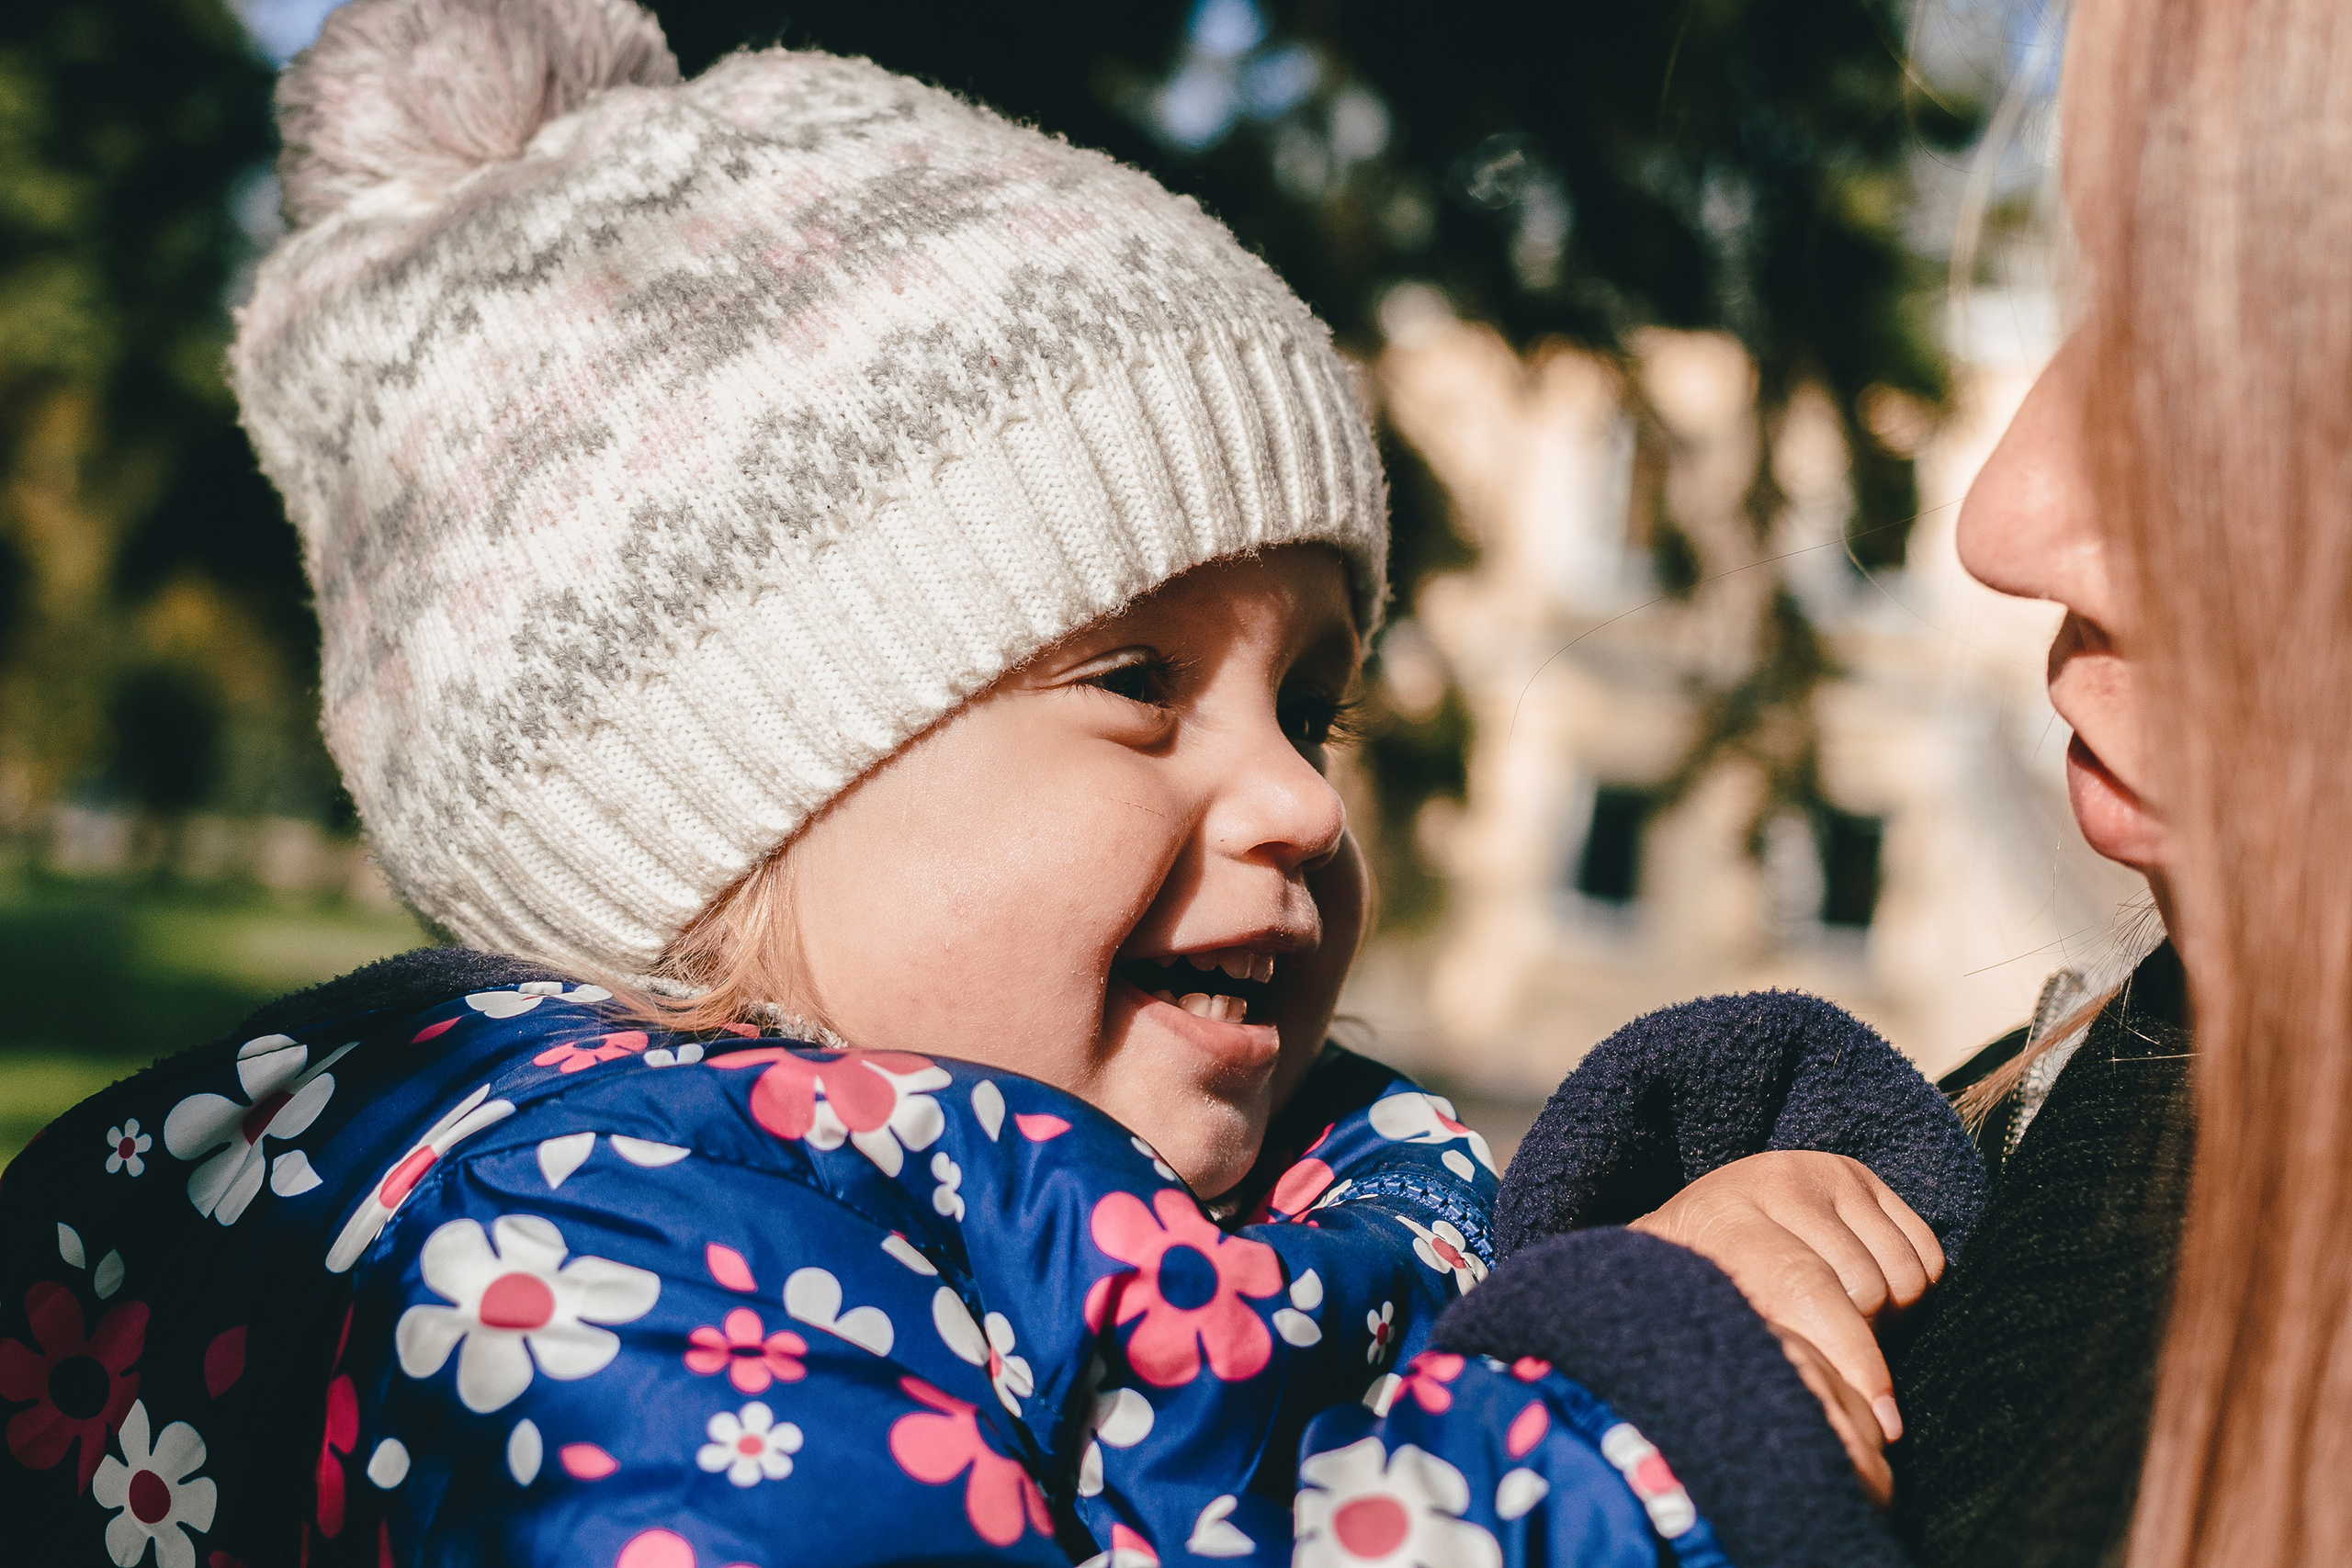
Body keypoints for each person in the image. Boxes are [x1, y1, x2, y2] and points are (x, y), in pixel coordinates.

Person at [0, 2, 1956, 1564]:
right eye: (1132, 680)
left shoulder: (1177, 1161)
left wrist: (1657, 1222)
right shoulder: (591, 1264)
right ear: (717, 800)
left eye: (1312, 703)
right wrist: (1644, 1421)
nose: (1294, 800)